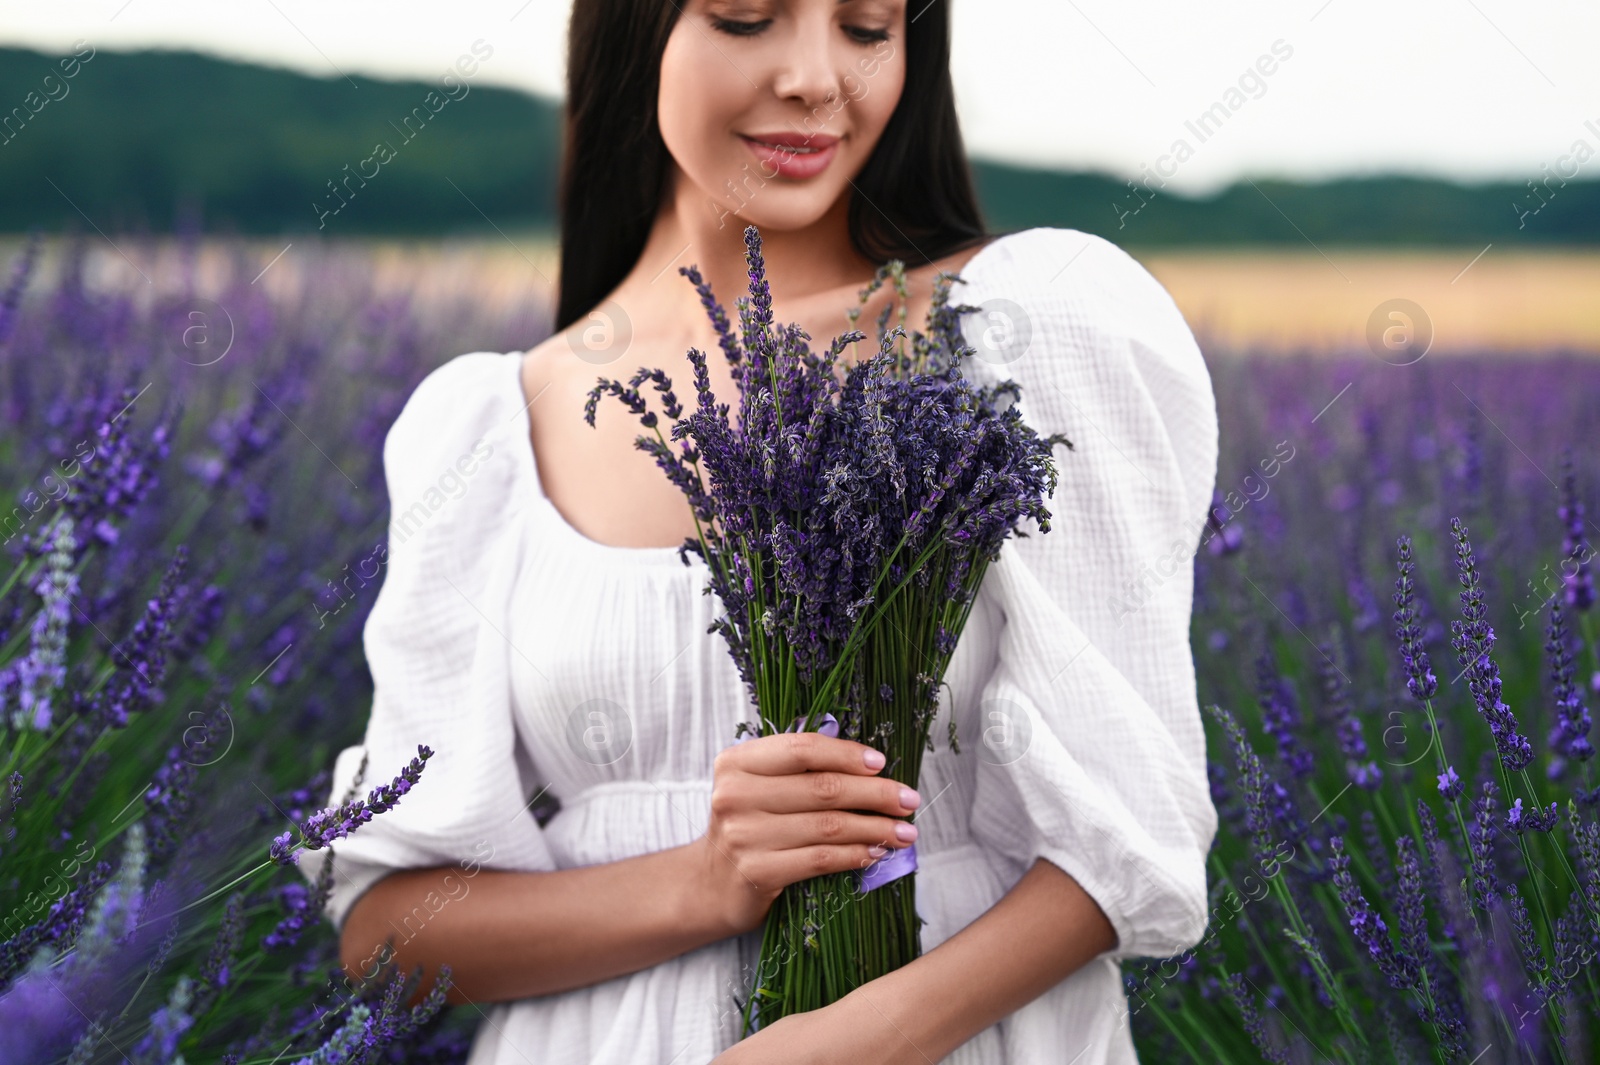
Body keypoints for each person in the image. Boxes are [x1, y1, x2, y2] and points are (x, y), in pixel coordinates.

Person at [299, 2, 1221, 1062]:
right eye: (747, 17)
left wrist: (849, 1040)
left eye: (868, 28)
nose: (816, 78)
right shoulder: (486, 427)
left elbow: (1131, 836)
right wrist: (706, 878)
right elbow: (389, 933)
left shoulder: (1019, 325)